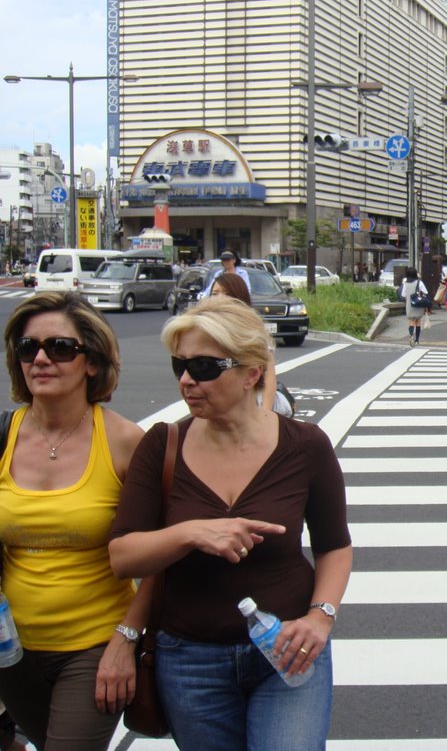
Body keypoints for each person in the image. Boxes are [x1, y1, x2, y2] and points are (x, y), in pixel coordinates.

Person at [108, 296, 352, 751]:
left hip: (287, 649)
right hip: (189, 659)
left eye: (203, 367)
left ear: (251, 373)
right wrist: (191, 532)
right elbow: (123, 556)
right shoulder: (162, 445)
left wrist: (321, 618)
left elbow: (334, 546)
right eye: (179, 365)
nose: (186, 380)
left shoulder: (305, 446)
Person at [0, 291, 149, 751]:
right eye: (29, 349)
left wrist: (127, 640)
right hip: (9, 646)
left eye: (60, 348)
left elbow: (159, 561)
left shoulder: (126, 443)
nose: (41, 359)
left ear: (91, 362)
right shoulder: (2, 435)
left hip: (92, 647)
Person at [209, 273, 291, 417]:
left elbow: (268, 375)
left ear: (239, 297)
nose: (219, 298)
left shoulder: (253, 329)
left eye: (226, 293)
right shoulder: (205, 330)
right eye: (215, 294)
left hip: (251, 406)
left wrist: (265, 414)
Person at [400, 267, 430, 347]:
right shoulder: (419, 282)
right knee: (418, 321)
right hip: (418, 303)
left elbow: (403, 295)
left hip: (409, 305)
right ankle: (417, 340)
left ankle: (411, 335)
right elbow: (425, 292)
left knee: (411, 321)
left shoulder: (405, 283)